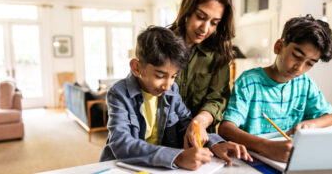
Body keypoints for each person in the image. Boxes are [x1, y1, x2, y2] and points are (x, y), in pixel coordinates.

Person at [99, 26, 252, 170]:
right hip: (121, 167)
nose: (167, 85)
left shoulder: (172, 90)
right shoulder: (118, 94)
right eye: (160, 76)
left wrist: (215, 144)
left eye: (174, 76)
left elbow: (187, 125)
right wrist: (177, 157)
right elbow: (121, 143)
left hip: (157, 167)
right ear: (136, 67)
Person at [218, 15, 332, 163]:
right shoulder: (249, 82)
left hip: (289, 160)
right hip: (253, 159)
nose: (299, 68)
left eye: (310, 63)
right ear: (279, 47)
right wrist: (266, 146)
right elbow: (226, 129)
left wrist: (311, 124)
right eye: (296, 56)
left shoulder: (304, 83)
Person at [170, 0, 235, 149]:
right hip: (160, 143)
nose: (205, 29)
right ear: (187, 10)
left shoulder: (220, 54)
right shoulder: (161, 43)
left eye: (214, 23)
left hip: (203, 143)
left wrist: (201, 120)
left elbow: (218, 98)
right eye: (201, 17)